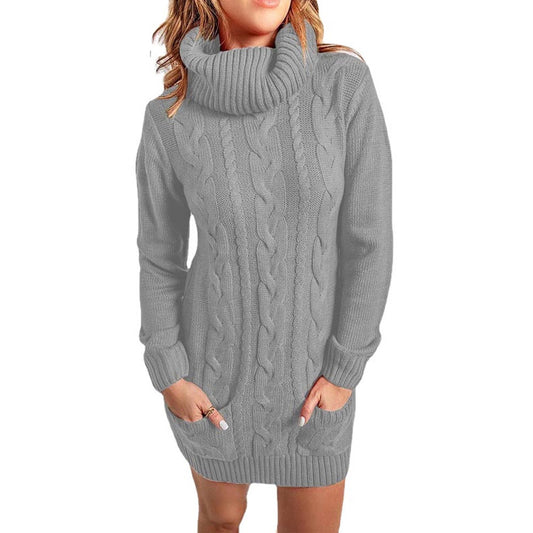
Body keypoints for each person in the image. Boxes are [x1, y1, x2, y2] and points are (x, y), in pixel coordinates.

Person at [135, 0, 393, 531]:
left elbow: (369, 242)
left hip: (314, 392)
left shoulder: (343, 84)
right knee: (220, 521)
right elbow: (160, 256)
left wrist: (344, 371)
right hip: (210, 388)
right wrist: (169, 373)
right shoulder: (169, 116)